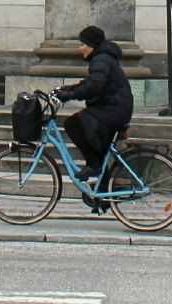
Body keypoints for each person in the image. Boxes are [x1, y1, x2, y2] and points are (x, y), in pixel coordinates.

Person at [54, 24, 133, 209]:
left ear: (91, 44)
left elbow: (94, 87)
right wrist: (67, 89)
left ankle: (93, 165)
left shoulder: (101, 59)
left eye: (82, 44)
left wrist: (70, 95)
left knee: (73, 123)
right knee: (100, 150)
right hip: (115, 108)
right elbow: (92, 82)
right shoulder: (102, 58)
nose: (80, 48)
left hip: (113, 110)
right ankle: (103, 192)